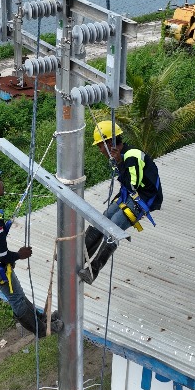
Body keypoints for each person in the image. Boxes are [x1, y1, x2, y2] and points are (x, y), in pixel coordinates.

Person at [0, 164, 61, 337]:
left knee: (19, 293)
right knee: (16, 298)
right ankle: (42, 331)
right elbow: (2, 256)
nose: (2, 183)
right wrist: (19, 255)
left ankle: (42, 320)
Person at [80, 121, 162, 285]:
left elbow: (133, 185)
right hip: (130, 193)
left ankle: (93, 270)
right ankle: (80, 255)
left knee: (114, 226)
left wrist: (119, 163)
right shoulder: (121, 155)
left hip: (143, 197)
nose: (100, 151)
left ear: (109, 143)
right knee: (104, 218)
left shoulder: (131, 156)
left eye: (100, 146)